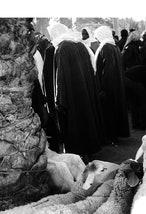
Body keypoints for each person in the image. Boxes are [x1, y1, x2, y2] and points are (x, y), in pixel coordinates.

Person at [45, 23, 105, 158]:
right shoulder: (79, 45)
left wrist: (59, 101)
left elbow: (61, 78)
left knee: (75, 129)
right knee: (86, 124)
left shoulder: (62, 48)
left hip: (72, 97)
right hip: (84, 94)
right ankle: (87, 154)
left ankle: (80, 158)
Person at [94, 25, 130, 143]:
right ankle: (113, 136)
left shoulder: (106, 48)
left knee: (109, 112)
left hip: (108, 87)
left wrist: (103, 88)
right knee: (114, 111)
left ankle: (110, 137)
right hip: (115, 86)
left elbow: (107, 71)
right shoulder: (113, 47)